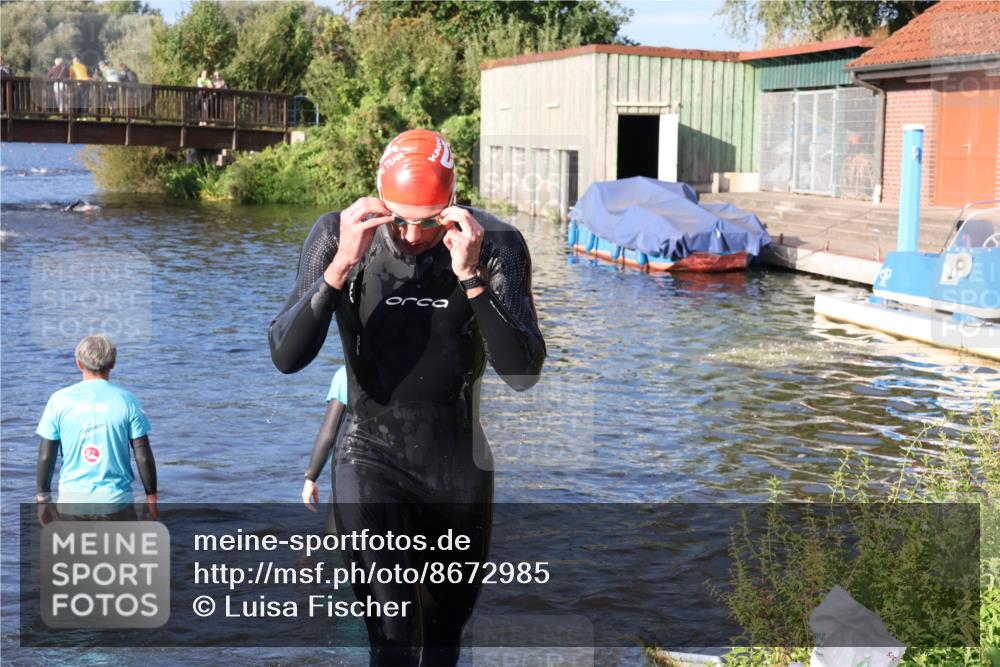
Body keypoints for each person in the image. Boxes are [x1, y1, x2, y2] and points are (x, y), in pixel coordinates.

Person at [268, 128, 545, 666]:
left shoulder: (497, 244)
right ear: (377, 195)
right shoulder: (338, 235)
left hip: (457, 467)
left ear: (453, 203)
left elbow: (523, 371)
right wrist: (339, 267)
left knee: (443, 641)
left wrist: (470, 277)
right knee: (391, 633)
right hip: (369, 458)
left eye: (429, 220)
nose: (414, 234)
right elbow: (285, 355)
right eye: (399, 218)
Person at [35, 334, 157, 523]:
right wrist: (151, 498)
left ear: (78, 363)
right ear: (113, 364)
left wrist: (43, 498)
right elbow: (143, 456)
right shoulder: (127, 400)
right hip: (117, 503)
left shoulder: (58, 400)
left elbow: (46, 456)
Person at [301, 365, 350, 534]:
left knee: (336, 547)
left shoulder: (347, 373)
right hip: (408, 481)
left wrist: (311, 477)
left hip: (355, 478)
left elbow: (330, 431)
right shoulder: (420, 366)